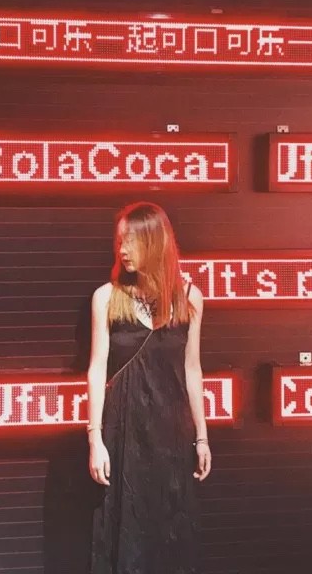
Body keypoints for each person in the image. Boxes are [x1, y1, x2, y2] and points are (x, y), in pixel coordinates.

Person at [86, 201, 211, 574]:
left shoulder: (190, 297)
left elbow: (192, 369)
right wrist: (95, 439)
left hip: (170, 432)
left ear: (155, 242)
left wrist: (201, 437)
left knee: (170, 529)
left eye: (131, 241)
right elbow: (97, 369)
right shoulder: (107, 298)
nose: (122, 249)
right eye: (119, 241)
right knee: (123, 530)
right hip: (123, 432)